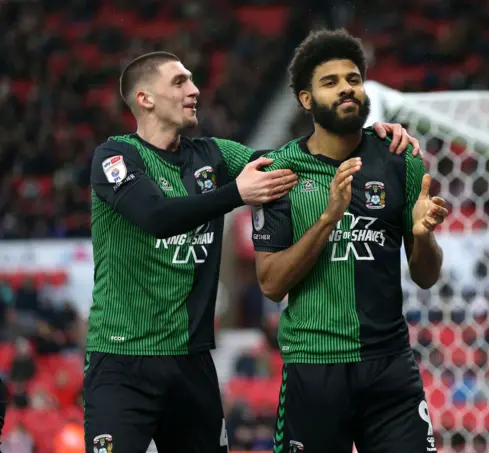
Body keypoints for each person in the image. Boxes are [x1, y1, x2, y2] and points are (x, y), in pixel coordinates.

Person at [84, 50, 422, 453]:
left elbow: (294, 163)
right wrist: (235, 194)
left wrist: (363, 136)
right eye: (179, 82)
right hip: (121, 360)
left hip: (192, 364)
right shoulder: (115, 157)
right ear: (145, 99)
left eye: (192, 80)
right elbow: (156, 216)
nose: (194, 90)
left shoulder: (213, 155)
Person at [251, 29, 449, 453]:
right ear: (306, 100)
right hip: (314, 370)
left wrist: (424, 237)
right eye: (331, 81)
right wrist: (327, 220)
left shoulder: (400, 159)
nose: (346, 88)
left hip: (389, 368)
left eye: (354, 79)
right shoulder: (281, 171)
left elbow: (426, 275)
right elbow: (270, 284)